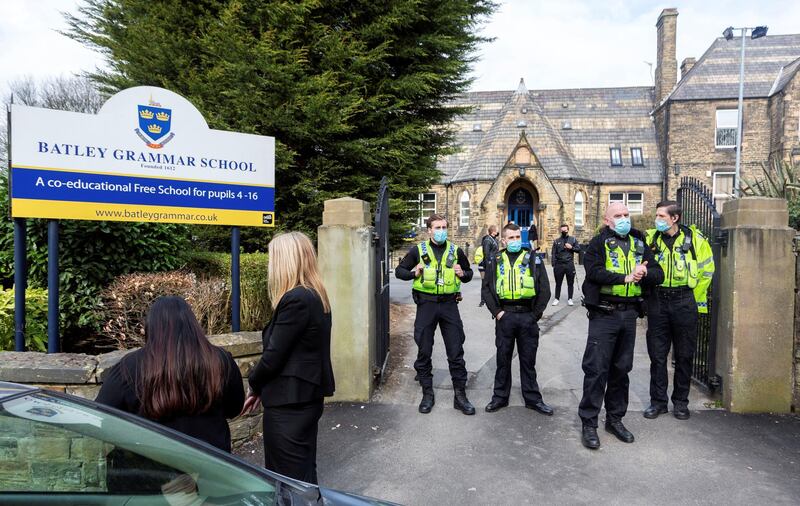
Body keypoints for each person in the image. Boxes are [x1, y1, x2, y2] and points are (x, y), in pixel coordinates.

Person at [241, 231, 335, 484]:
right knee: (301, 475)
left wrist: (254, 383)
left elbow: (274, 356)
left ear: (286, 261)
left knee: (287, 479)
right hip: (302, 398)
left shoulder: (297, 299)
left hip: (290, 403)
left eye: (273, 258)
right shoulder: (315, 295)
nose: (271, 265)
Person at [97, 296, 245, 452]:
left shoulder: (128, 367)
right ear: (192, 324)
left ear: (151, 327)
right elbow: (234, 408)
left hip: (150, 466)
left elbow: (103, 416)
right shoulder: (221, 360)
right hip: (211, 463)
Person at [578, 202, 664, 450]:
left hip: (628, 315)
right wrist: (624, 277)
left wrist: (645, 273)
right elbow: (593, 272)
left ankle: (615, 420)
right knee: (596, 370)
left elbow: (658, 272)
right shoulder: (598, 243)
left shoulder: (639, 242)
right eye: (618, 215)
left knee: (621, 370)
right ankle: (589, 423)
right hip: (604, 314)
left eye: (627, 214)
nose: (625, 218)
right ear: (607, 220)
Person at [395, 213, 476, 415]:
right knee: (424, 350)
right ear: (429, 230)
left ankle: (460, 396)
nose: (441, 231)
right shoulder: (418, 250)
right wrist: (415, 272)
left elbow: (469, 274)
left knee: (456, 351)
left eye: (444, 227)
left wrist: (462, 273)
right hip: (427, 305)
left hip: (449, 305)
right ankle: (427, 394)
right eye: (437, 228)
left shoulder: (455, 250)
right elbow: (399, 271)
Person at [643, 201, 715, 420]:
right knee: (657, 355)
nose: (657, 220)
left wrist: (693, 298)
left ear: (674, 218)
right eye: (657, 216)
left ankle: (681, 403)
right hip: (658, 300)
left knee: (684, 355)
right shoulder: (650, 239)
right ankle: (658, 402)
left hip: (685, 300)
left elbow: (707, 270)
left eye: (661, 216)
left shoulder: (696, 240)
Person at [482, 223, 552, 414]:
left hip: (527, 317)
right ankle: (500, 397)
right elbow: (487, 289)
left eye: (517, 237)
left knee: (528, 361)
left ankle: (532, 399)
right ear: (503, 240)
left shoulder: (532, 258)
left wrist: (535, 315)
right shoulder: (494, 259)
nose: (514, 241)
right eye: (510, 238)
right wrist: (497, 312)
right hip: (505, 316)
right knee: (503, 360)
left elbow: (544, 289)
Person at [551, 224, 580, 306]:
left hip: (569, 264)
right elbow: (553, 252)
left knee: (570, 283)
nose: (564, 231)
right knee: (558, 283)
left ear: (568, 230)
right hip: (559, 265)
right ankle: (556, 298)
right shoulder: (557, 241)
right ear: (560, 231)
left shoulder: (573, 239)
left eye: (565, 230)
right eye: (562, 230)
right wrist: (554, 264)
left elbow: (578, 249)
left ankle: (570, 298)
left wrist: (571, 247)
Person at [475, 225, 500, 307]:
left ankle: (491, 298)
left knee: (492, 282)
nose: (498, 231)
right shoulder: (487, 240)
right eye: (497, 230)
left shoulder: (494, 239)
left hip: (493, 264)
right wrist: (488, 266)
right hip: (485, 265)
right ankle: (483, 300)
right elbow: (486, 254)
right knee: (484, 282)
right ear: (493, 232)